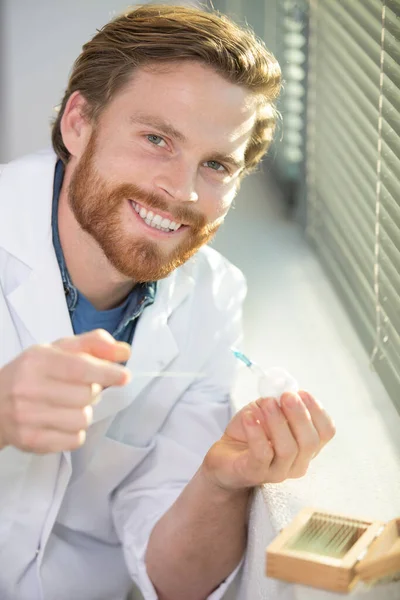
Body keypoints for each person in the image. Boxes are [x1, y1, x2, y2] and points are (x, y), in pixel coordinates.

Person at [0, 4, 336, 600]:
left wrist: (222, 480)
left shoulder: (213, 297)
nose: (181, 192)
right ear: (79, 122)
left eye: (215, 165)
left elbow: (171, 581)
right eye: (157, 139)